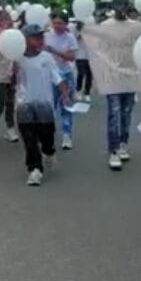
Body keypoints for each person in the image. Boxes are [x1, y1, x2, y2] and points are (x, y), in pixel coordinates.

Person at [14, 24, 70, 186]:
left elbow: (57, 77)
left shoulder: (46, 57)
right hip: (24, 104)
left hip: (44, 105)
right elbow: (9, 78)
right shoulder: (17, 59)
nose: (40, 40)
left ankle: (49, 152)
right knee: (29, 139)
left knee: (46, 137)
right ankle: (34, 169)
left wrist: (65, 94)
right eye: (35, 37)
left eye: (41, 37)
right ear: (25, 40)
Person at [101, 0, 138, 170]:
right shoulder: (106, 26)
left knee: (126, 112)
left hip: (130, 76)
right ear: (113, 9)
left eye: (124, 8)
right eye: (118, 8)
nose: (121, 11)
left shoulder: (135, 26)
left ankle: (123, 143)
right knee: (114, 113)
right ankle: (114, 150)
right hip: (112, 77)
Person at [44, 12, 78, 150]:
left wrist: (55, 51)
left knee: (66, 105)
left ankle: (66, 134)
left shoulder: (70, 37)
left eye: (60, 23)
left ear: (66, 24)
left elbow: (71, 57)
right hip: (49, 75)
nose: (57, 26)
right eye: (55, 23)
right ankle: (48, 134)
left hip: (65, 74)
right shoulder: (46, 36)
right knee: (49, 106)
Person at [0, 10, 19, 142]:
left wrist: (16, 69)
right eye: (2, 18)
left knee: (10, 101)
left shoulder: (14, 33)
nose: (5, 21)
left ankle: (10, 128)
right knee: (1, 100)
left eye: (7, 18)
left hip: (10, 71)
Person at [72, 19, 93, 103]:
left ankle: (87, 93)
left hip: (90, 56)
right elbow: (74, 40)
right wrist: (80, 33)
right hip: (79, 56)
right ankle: (78, 91)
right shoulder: (75, 31)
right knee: (81, 73)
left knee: (89, 75)